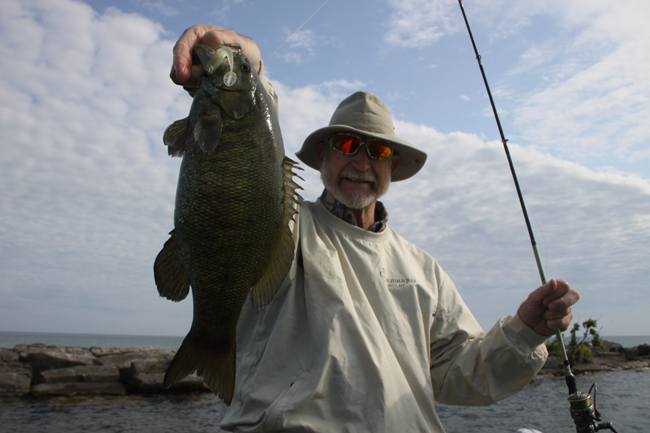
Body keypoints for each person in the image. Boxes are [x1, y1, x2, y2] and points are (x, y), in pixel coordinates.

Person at [169, 26, 580, 433]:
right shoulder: (287, 226)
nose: (362, 163)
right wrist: (249, 68)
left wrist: (524, 332)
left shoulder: (423, 268)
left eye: (378, 150)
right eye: (347, 145)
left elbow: (459, 374)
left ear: (392, 166)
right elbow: (250, 151)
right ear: (322, 155)